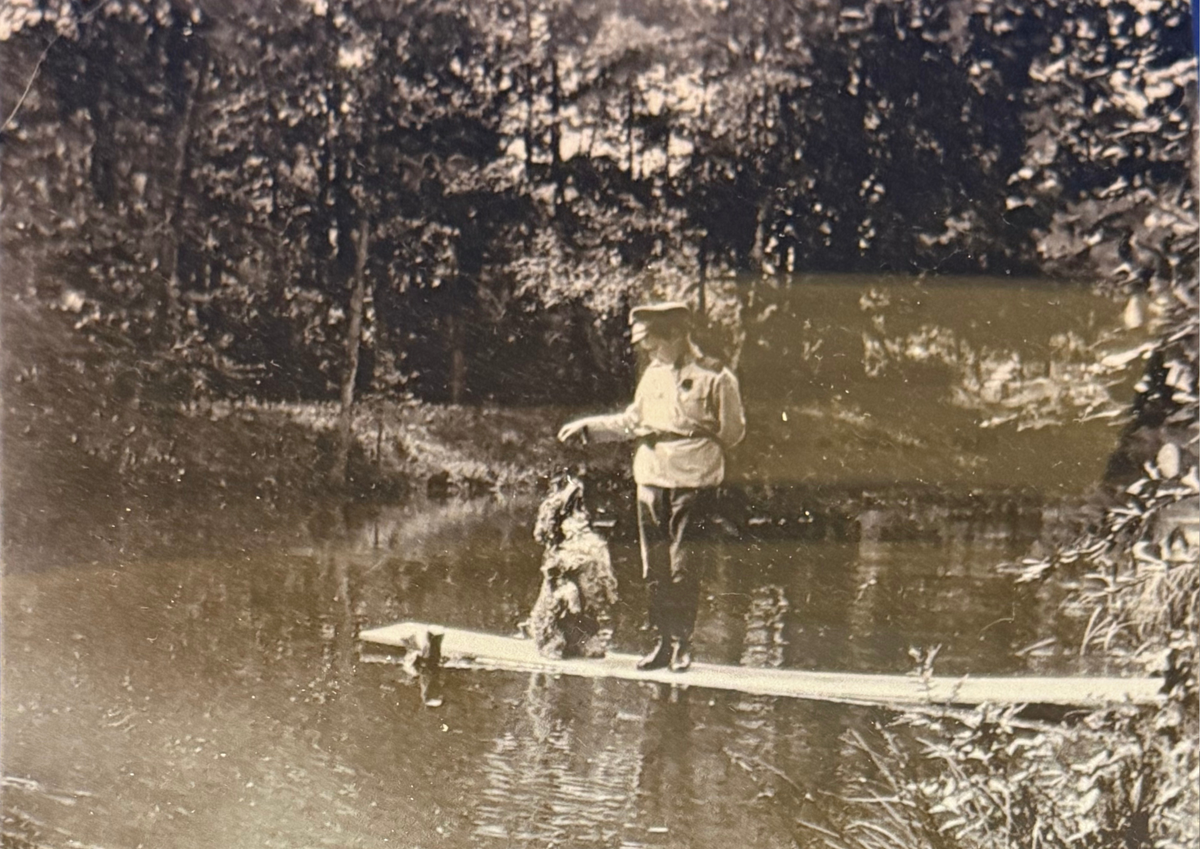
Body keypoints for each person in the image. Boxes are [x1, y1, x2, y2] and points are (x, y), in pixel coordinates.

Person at [557, 302, 746, 672]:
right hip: (651, 478)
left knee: (684, 564)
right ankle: (662, 642)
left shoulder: (716, 376)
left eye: (652, 341)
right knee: (654, 565)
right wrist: (589, 428)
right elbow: (633, 421)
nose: (647, 349)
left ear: (676, 334)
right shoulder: (654, 374)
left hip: (694, 479)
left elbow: (732, 432)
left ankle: (682, 644)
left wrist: (693, 446)